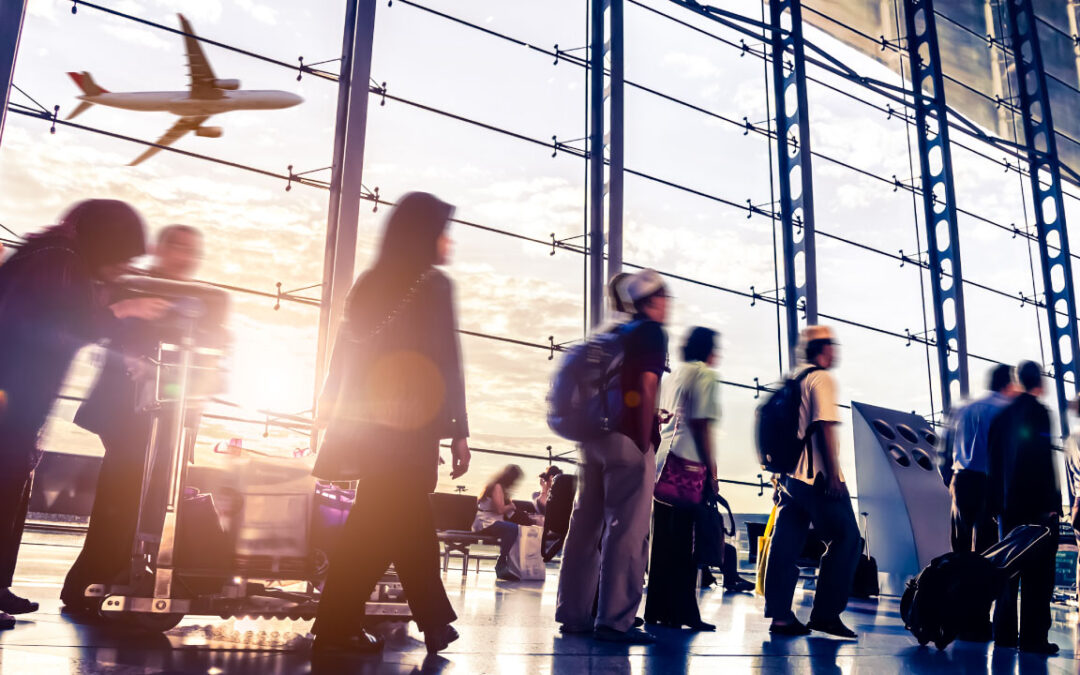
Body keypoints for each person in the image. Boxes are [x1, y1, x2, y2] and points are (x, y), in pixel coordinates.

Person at [311, 192, 471, 656]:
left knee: (382, 522)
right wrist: (458, 429)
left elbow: (344, 354)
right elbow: (447, 360)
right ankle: (427, 620)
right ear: (423, 234)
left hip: (367, 427)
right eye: (443, 231)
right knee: (399, 519)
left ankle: (344, 623)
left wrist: (327, 407)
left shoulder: (369, 284)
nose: (448, 242)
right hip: (409, 427)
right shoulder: (433, 284)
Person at [0, 200, 167, 627]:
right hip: (11, 395)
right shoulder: (60, 261)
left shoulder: (55, 256)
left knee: (13, 485)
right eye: (122, 256)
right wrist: (121, 311)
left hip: (20, 397)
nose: (121, 268)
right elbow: (54, 328)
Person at [61, 225, 205, 613]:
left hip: (167, 415)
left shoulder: (192, 298)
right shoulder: (135, 287)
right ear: (160, 248)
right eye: (179, 247)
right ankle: (91, 583)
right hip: (130, 413)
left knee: (146, 499)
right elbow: (105, 334)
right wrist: (132, 358)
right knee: (123, 496)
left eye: (193, 250)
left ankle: (120, 579)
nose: (186, 257)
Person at [555, 268, 668, 644]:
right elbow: (646, 385)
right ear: (650, 301)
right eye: (663, 298)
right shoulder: (650, 332)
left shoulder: (609, 336)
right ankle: (614, 620)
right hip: (627, 439)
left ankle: (573, 614)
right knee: (627, 531)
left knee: (585, 526)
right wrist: (643, 435)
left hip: (592, 439)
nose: (667, 306)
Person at [763, 325, 860, 639]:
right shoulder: (821, 378)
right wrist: (833, 474)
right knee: (848, 539)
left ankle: (780, 617)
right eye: (833, 345)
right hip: (815, 476)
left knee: (786, 544)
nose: (836, 351)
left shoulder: (794, 379)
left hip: (789, 478)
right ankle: (826, 614)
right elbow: (824, 427)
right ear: (823, 348)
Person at [645, 326, 720, 631]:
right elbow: (701, 424)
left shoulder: (673, 374)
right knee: (686, 543)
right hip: (687, 465)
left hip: (662, 461)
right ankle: (684, 612)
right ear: (708, 349)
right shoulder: (705, 375)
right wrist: (712, 470)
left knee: (662, 540)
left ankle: (657, 609)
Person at [987, 361, 1061, 655]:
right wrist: (1052, 505)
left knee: (1007, 568)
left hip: (1008, 507)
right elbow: (1043, 458)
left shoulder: (1001, 416)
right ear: (1038, 381)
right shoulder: (1040, 412)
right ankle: (1033, 638)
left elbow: (992, 463)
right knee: (1039, 575)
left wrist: (995, 505)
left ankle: (1003, 633)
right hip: (1036, 507)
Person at [941, 365, 1013, 556]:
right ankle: (979, 585)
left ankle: (958, 583)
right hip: (988, 482)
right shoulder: (1005, 410)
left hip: (961, 479)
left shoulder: (965, 408)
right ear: (1008, 384)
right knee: (987, 546)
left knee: (959, 544)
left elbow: (945, 447)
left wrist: (950, 478)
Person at [473, 464, 525, 581]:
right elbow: (500, 509)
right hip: (486, 522)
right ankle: (501, 563)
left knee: (514, 529)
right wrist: (511, 506)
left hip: (493, 521)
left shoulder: (500, 488)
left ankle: (505, 563)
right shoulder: (497, 487)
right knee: (513, 529)